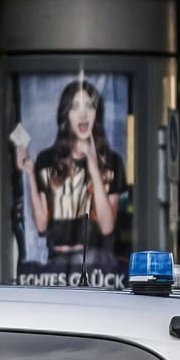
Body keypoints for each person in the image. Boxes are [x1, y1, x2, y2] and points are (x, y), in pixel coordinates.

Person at [16, 79, 130, 275]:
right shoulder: (47, 159)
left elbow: (107, 226)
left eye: (89, 105)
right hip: (56, 263)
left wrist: (93, 167)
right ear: (66, 114)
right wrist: (30, 175)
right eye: (75, 106)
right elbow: (42, 225)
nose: (83, 113)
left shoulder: (112, 162)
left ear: (97, 113)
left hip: (96, 263)